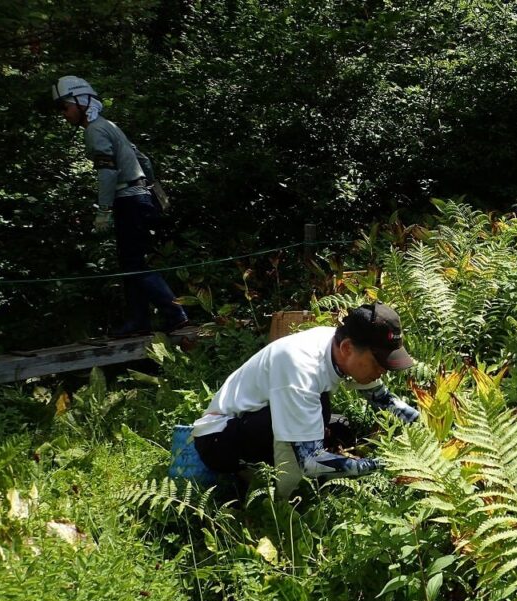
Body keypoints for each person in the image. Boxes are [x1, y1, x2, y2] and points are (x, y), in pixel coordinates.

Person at [192, 302, 421, 498]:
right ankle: (268, 493)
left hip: (255, 417)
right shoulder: (300, 367)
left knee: (338, 426)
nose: (384, 370)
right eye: (378, 361)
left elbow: (382, 399)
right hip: (218, 440)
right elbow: (311, 462)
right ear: (347, 348)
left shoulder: (338, 345)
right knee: (316, 417)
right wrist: (382, 465)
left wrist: (429, 427)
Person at [52, 76, 188, 336]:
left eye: (65, 107)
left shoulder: (94, 130)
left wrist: (104, 209)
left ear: (81, 103)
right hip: (139, 197)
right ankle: (139, 321)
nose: (64, 113)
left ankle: (175, 313)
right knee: (132, 262)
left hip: (128, 199)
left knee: (134, 263)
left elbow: (107, 173)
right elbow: (142, 158)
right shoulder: (109, 126)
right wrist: (154, 191)